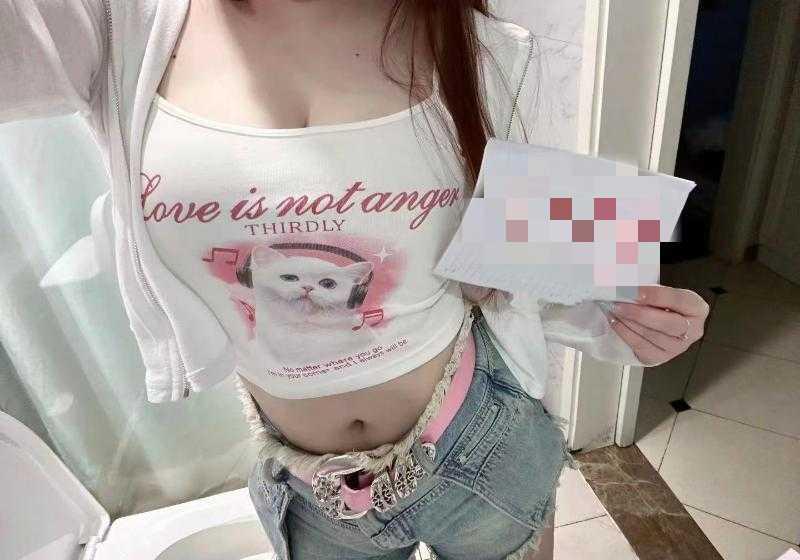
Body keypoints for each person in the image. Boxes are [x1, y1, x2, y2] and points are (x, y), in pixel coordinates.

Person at [0, 1, 709, 559]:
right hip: (309, 485)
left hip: (485, 438)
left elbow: (519, 242)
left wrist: (622, 315)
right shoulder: (109, 20)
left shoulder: (475, 36)